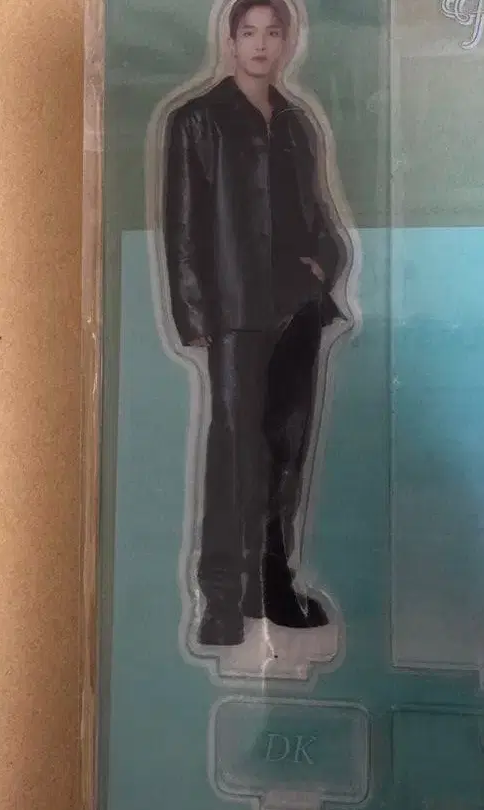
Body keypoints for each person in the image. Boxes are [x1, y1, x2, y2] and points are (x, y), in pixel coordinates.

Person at [162, 0, 349, 646]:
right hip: (236, 312)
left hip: (299, 306)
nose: (262, 45)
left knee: (285, 453)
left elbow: (317, 211)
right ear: (231, 39)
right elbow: (182, 222)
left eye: (273, 32)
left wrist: (325, 263)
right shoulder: (198, 120)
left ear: (288, 41)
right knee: (234, 452)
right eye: (249, 33)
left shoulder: (296, 123)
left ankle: (270, 587)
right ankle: (220, 598)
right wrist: (194, 312)